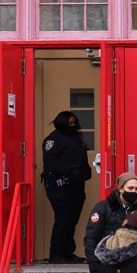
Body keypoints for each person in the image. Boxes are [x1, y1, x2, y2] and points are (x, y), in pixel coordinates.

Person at [41, 110, 92, 263]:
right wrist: (71, 171)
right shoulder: (53, 140)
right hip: (59, 186)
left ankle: (68, 253)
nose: (73, 125)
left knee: (72, 220)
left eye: (74, 122)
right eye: (70, 123)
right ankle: (56, 254)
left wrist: (84, 172)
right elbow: (50, 163)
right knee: (63, 219)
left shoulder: (77, 138)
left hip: (76, 186)